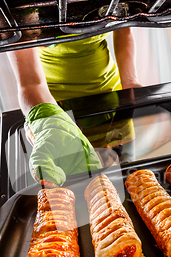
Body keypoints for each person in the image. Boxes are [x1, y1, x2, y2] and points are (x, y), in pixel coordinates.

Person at [8, 28, 142, 187]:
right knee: (78, 186)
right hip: (60, 113)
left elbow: (123, 30)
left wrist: (129, 81)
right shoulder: (22, 17)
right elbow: (30, 83)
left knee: (128, 181)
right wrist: (48, 123)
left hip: (113, 101)